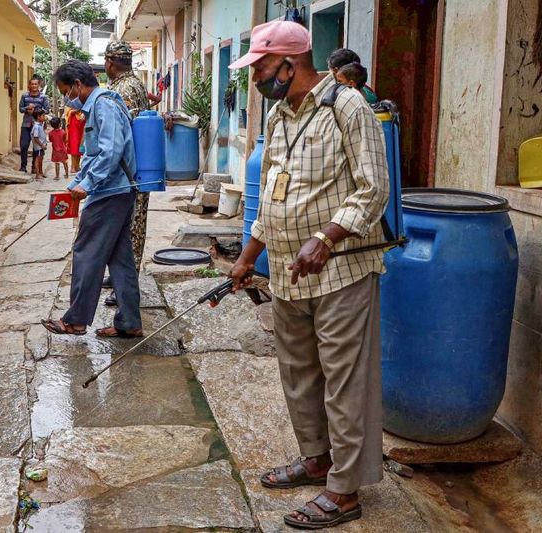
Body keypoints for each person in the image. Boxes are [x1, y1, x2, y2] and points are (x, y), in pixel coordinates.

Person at [229, 21, 389, 529]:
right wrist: (247, 255)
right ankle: (316, 459)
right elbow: (272, 196)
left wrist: (326, 237)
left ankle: (345, 491)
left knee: (345, 382)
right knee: (299, 374)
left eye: (258, 68)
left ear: (287, 63)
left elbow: (373, 187)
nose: (254, 78)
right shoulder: (277, 116)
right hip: (286, 271)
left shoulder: (347, 107)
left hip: (340, 269)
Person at [41, 60, 142, 339]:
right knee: (120, 260)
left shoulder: (103, 105)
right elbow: (95, 153)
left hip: (109, 193)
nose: (65, 98)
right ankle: (129, 322)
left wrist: (88, 184)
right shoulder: (100, 105)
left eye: (65, 91)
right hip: (117, 191)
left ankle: (75, 320)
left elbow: (111, 151)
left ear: (77, 85)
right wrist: (76, 182)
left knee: (86, 253)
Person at [102, 40, 151, 308]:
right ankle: (118, 277)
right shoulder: (123, 85)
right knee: (122, 228)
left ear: (110, 62)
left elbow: (123, 131)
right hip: (125, 170)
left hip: (132, 171)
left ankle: (125, 287)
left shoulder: (128, 87)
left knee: (133, 228)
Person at [18, 78, 49, 172]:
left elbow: (47, 110)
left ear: (38, 85)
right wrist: (27, 108)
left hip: (38, 125)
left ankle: (34, 168)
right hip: (26, 124)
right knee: (24, 145)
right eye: (32, 84)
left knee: (37, 146)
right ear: (29, 85)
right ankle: (23, 166)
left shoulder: (43, 97)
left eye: (36, 84)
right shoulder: (24, 96)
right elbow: (20, 109)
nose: (34, 86)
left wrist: (35, 111)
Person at [48, 116, 69, 180]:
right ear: (60, 124)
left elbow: (50, 140)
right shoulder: (63, 132)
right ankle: (67, 174)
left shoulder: (50, 133)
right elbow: (65, 140)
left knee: (57, 163)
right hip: (63, 150)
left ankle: (57, 176)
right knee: (65, 162)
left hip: (55, 150)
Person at [66, 106, 85, 171]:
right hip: (73, 124)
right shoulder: (71, 102)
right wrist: (80, 109)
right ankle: (72, 166)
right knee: (74, 146)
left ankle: (77, 166)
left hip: (82, 123)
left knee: (80, 146)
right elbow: (68, 111)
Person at [31, 110, 48, 179]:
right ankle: (37, 174)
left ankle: (41, 172)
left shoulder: (40, 125)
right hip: (38, 146)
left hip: (41, 146)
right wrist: (42, 145)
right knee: (38, 159)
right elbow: (36, 138)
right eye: (43, 116)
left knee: (41, 159)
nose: (44, 117)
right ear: (38, 117)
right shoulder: (36, 127)